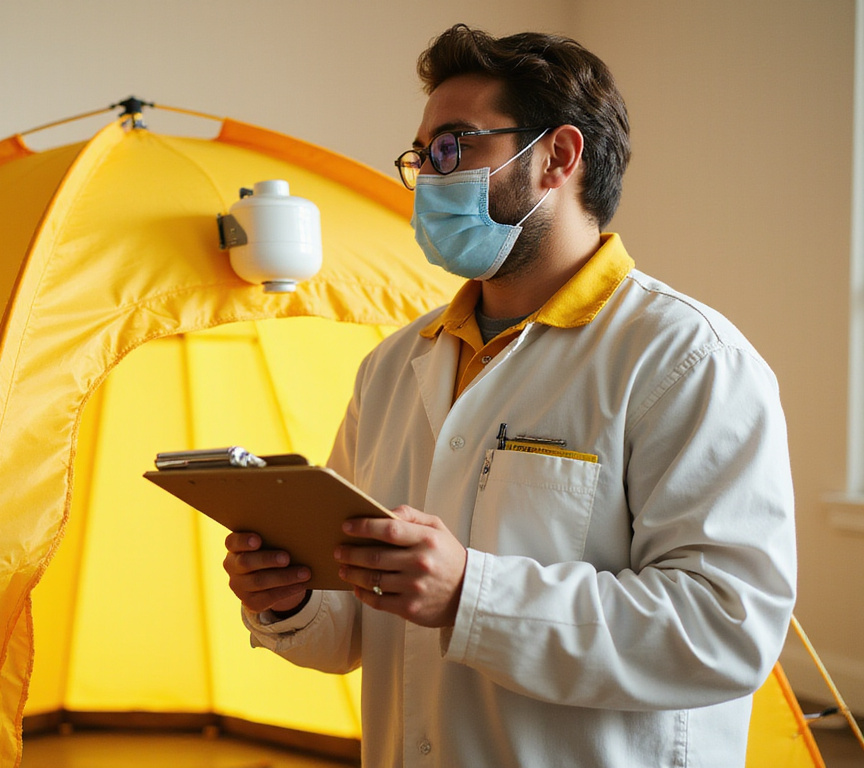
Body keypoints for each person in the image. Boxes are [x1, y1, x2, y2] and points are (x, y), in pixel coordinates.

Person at [223, 24, 796, 768]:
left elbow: (725, 629)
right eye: (421, 156)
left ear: (557, 157)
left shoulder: (688, 359)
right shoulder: (392, 365)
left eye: (453, 148)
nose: (430, 179)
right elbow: (354, 631)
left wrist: (472, 594)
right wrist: (293, 596)